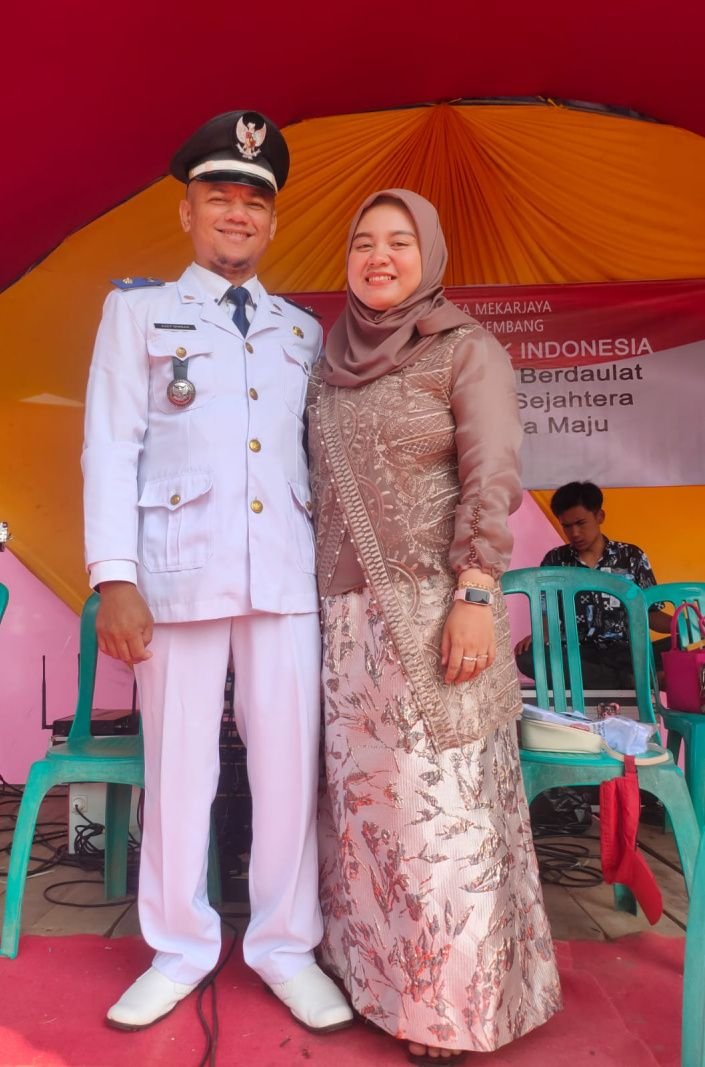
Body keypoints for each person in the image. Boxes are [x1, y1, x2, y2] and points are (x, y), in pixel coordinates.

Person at [82, 110, 352, 1034]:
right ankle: (178, 947)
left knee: (289, 771)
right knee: (178, 766)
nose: (237, 213)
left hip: (284, 577)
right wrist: (114, 575)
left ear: (271, 221)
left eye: (254, 200)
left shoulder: (299, 331)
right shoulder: (136, 313)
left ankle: (285, 947)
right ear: (187, 211)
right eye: (219, 196)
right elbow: (110, 448)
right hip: (175, 576)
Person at [307, 189, 561, 1064]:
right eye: (362, 242)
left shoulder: (464, 349)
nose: (378, 257)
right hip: (344, 631)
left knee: (439, 816)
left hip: (437, 617)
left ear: (431, 256)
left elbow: (491, 475)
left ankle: (451, 1009)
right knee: (366, 817)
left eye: (399, 242)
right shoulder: (325, 363)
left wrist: (477, 594)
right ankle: (373, 984)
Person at [515, 480, 672, 688]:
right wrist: (541, 634)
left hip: (627, 653)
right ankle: (631, 681)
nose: (575, 533)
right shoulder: (555, 560)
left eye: (581, 523)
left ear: (599, 516)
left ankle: (617, 678)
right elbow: (546, 611)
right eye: (567, 526)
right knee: (527, 656)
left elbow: (650, 613)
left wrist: (685, 626)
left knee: (684, 645)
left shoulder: (631, 556)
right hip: (576, 653)